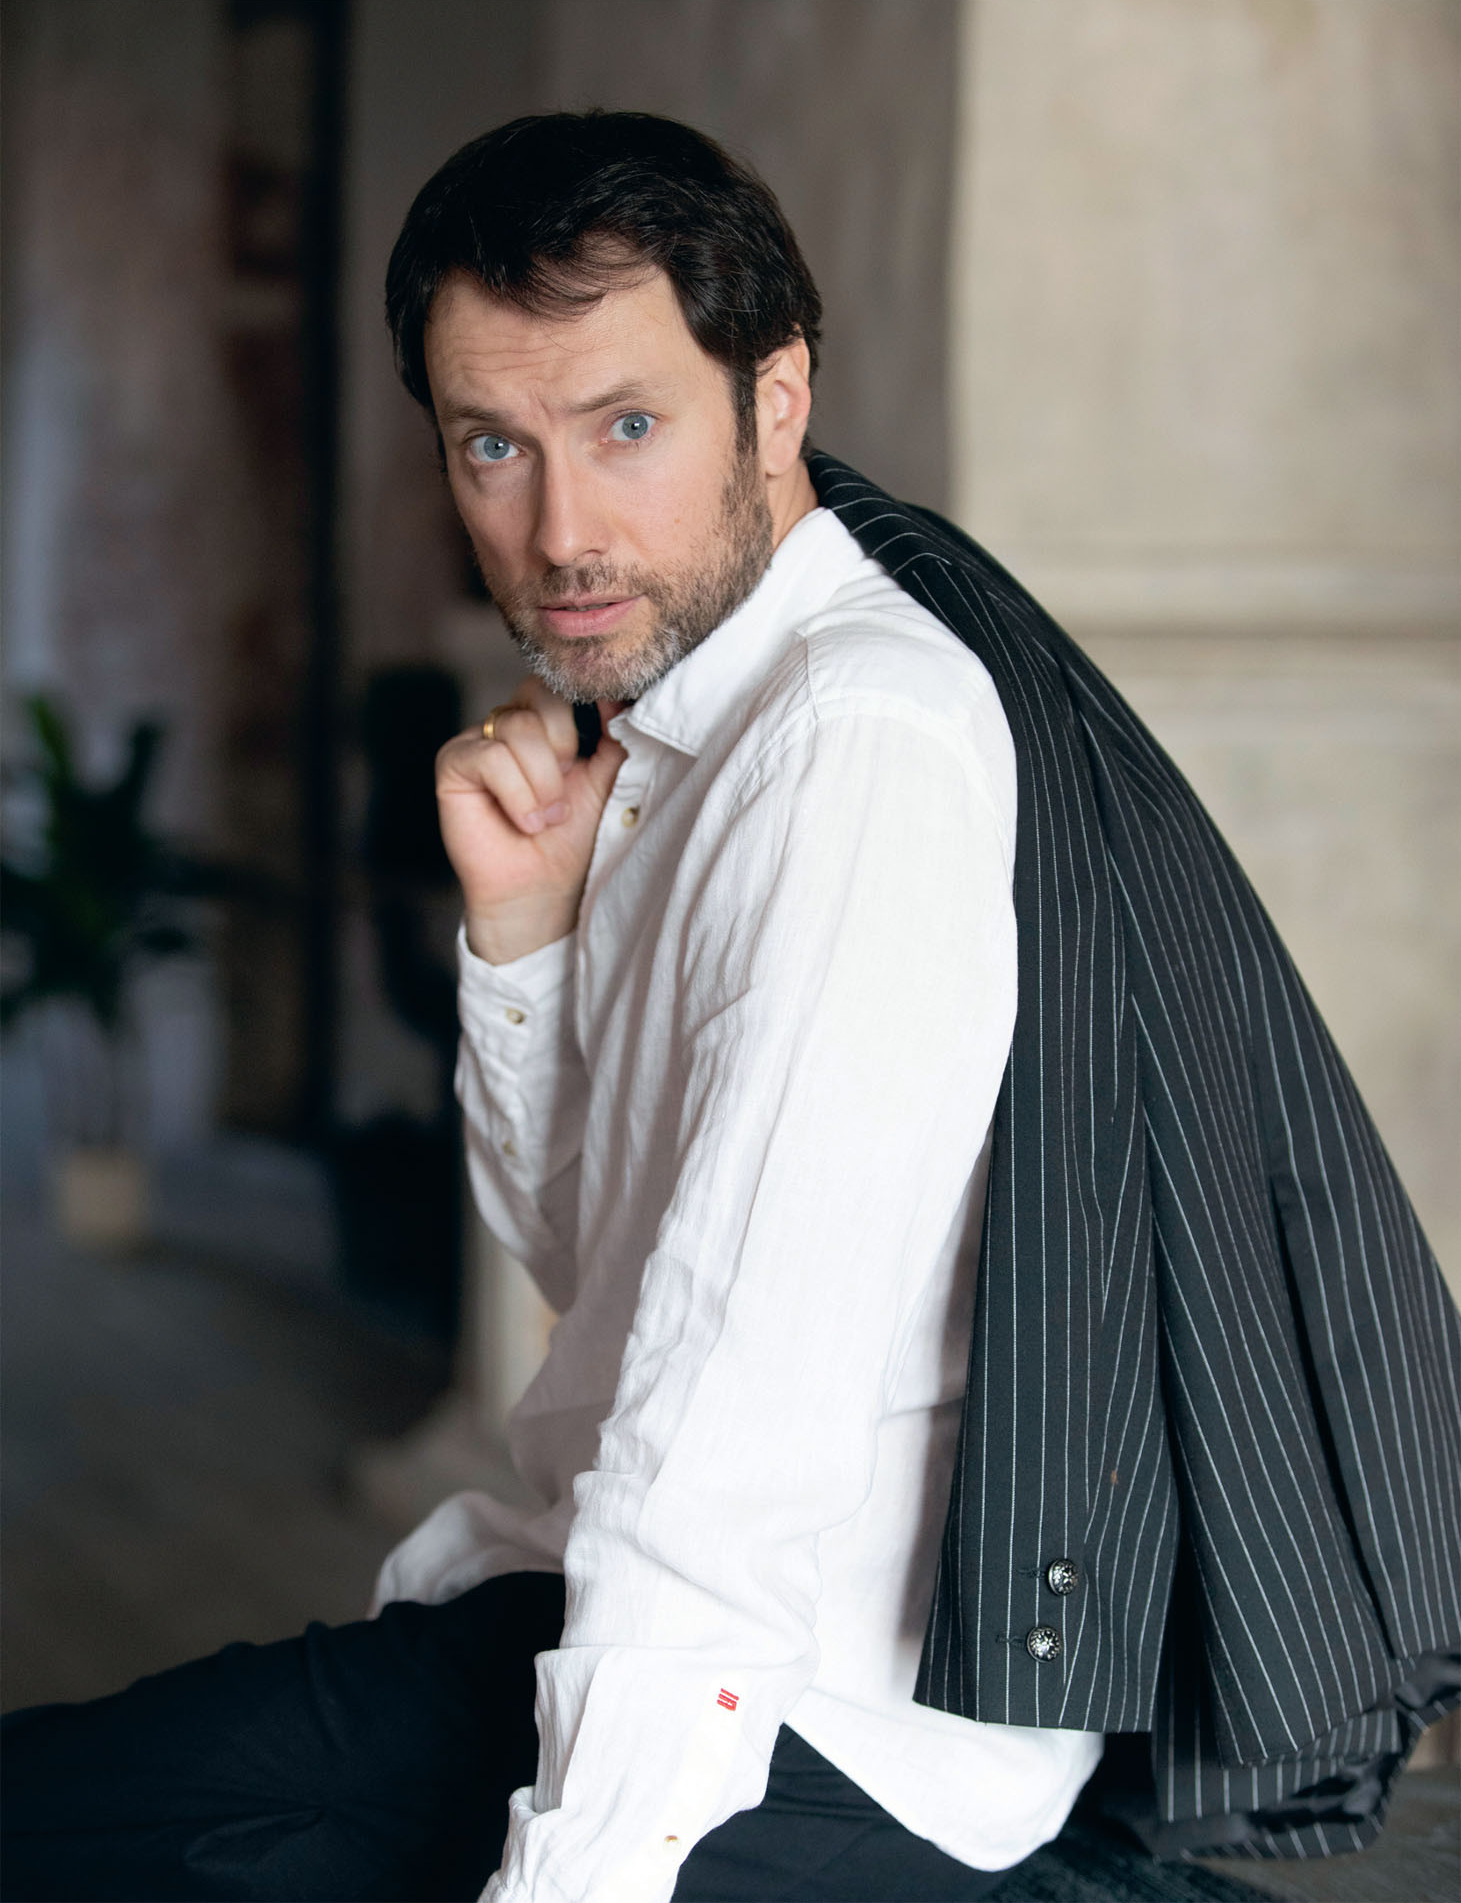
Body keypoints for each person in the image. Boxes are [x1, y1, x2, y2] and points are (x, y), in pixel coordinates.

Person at [3, 110, 1458, 1903]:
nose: (559, 531)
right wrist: (526, 939)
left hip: (801, 1713)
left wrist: (581, 1876)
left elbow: (732, 1415)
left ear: (776, 400)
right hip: (614, 1627)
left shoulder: (848, 744)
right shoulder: (696, 715)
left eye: (626, 427)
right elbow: (594, 1266)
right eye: (493, 447)